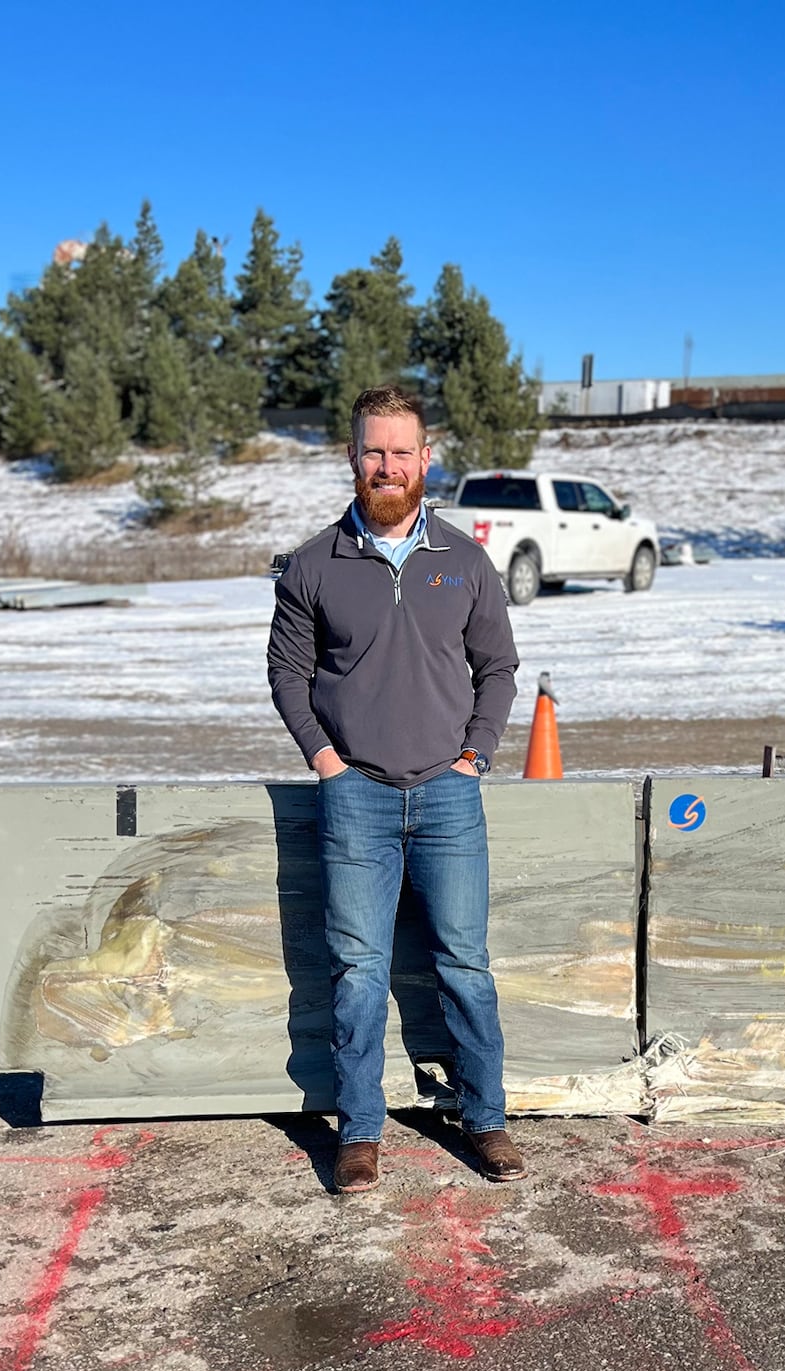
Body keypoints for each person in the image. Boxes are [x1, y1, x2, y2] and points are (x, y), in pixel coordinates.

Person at [267, 382, 527, 1196]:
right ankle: (362, 1132)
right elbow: (287, 672)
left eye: (401, 452)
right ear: (353, 459)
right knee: (356, 970)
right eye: (373, 451)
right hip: (356, 798)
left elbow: (499, 669)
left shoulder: (465, 561)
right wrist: (325, 759)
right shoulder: (314, 564)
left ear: (426, 460)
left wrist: (475, 755)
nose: (388, 465)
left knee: (465, 964)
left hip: (449, 797)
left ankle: (485, 1119)